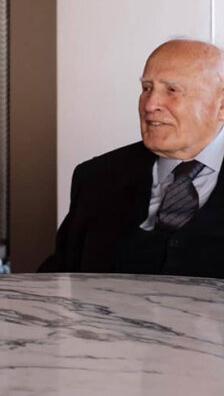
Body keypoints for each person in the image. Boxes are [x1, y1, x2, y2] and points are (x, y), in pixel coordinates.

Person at [39, 39, 224, 277]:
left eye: (171, 90)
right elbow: (59, 277)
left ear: (221, 106)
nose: (150, 105)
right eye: (147, 88)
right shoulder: (97, 177)